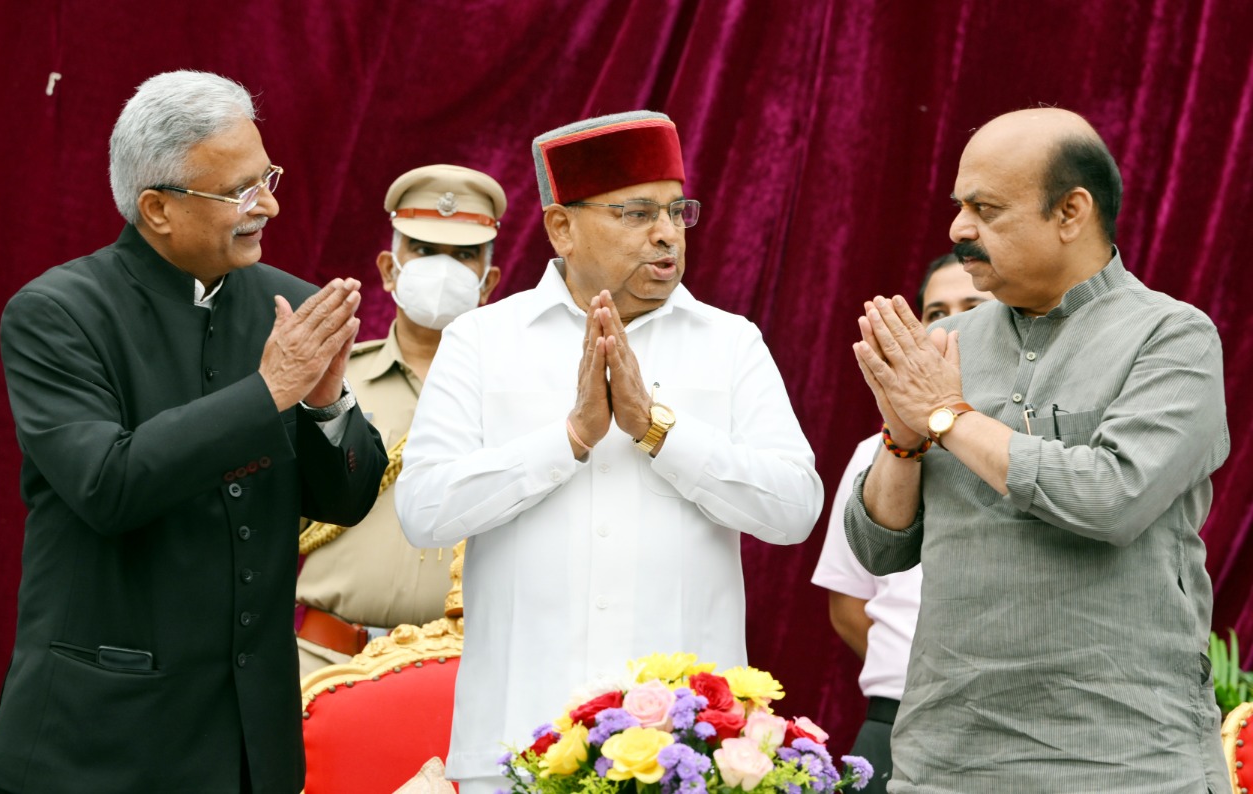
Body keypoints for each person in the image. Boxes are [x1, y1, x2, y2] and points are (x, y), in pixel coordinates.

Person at [0, 70, 387, 794]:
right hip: (101, 744)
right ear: (157, 208)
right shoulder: (57, 314)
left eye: (268, 177)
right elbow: (108, 486)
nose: (270, 204)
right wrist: (269, 394)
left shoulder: (288, 304)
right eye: (240, 191)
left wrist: (325, 405)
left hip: (248, 749)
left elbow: (347, 499)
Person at [396, 110, 824, 793]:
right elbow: (423, 511)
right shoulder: (482, 341)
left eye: (677, 212)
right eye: (636, 213)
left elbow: (794, 510)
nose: (666, 234)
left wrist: (658, 431)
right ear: (561, 227)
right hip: (516, 747)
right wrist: (568, 440)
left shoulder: (731, 342)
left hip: (687, 757)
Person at [845, 107, 1229, 792]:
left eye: (986, 209)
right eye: (960, 206)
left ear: (1071, 211)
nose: (959, 229)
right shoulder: (951, 343)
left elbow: (1111, 498)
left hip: (1121, 761)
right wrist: (903, 441)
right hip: (945, 761)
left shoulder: (1173, 338)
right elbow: (880, 550)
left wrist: (946, 414)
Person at [295, 165, 504, 676]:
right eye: (425, 250)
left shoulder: (515, 396)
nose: (444, 268)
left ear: (488, 281)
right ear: (390, 269)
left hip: (463, 672)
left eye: (464, 255)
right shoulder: (328, 381)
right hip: (323, 663)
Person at [811, 254, 992, 794]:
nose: (951, 322)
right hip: (895, 724)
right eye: (936, 311)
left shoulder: (1031, 441)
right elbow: (847, 603)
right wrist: (920, 675)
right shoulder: (877, 450)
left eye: (972, 307)